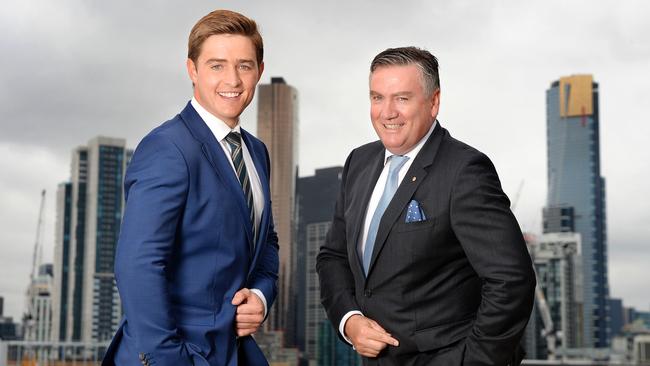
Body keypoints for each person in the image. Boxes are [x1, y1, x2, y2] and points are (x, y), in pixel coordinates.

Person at [316, 47, 536, 365]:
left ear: (433, 102)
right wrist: (349, 320)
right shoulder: (358, 163)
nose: (387, 112)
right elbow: (333, 257)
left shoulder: (464, 170)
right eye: (377, 98)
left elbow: (512, 281)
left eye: (402, 98)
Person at [102, 10, 278, 366]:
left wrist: (260, 295)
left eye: (244, 65)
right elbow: (138, 265)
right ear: (192, 70)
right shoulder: (167, 147)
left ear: (259, 70)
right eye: (216, 66)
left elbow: (267, 241)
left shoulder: (256, 151)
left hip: (234, 351)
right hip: (178, 354)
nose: (232, 79)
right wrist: (172, 359)